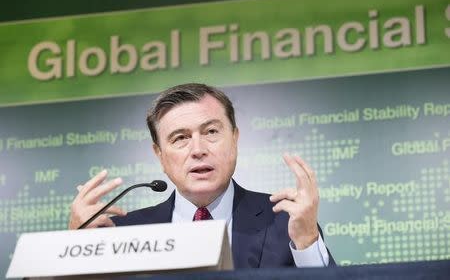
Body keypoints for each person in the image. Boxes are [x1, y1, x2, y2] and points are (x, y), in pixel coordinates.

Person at [69, 83, 335, 268]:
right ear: (160, 155)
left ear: (235, 138)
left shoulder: (284, 222)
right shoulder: (123, 234)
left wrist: (307, 242)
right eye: (180, 138)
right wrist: (72, 251)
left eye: (210, 132)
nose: (198, 150)